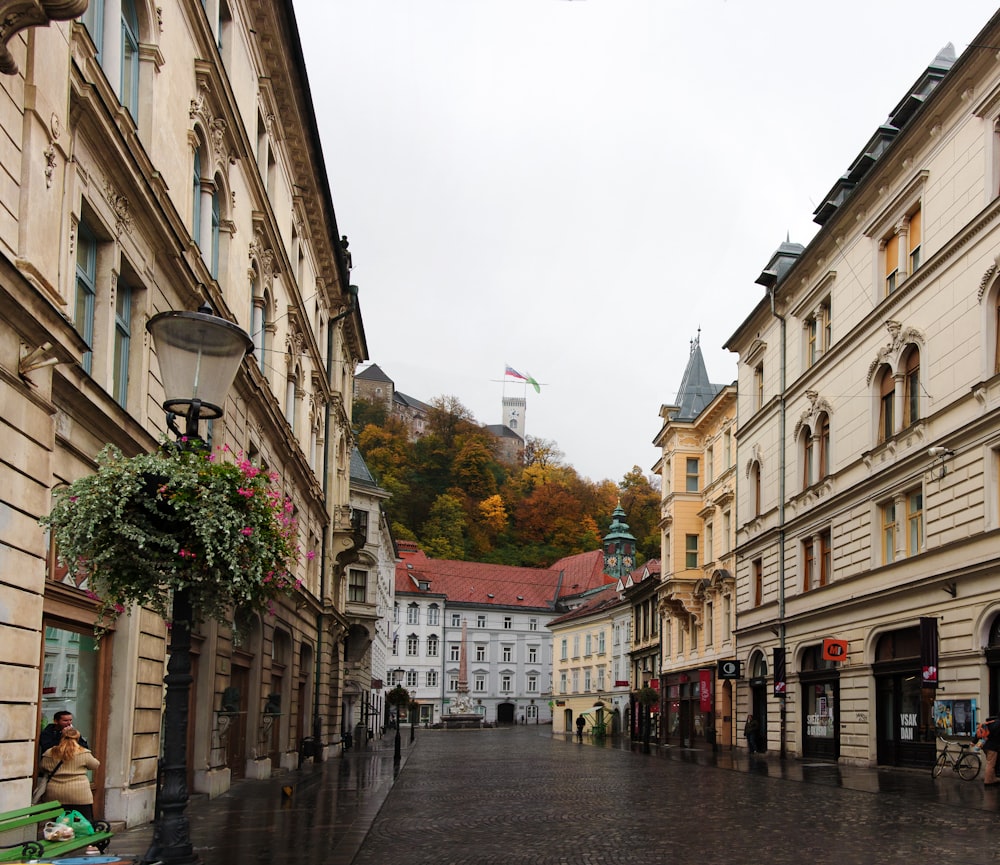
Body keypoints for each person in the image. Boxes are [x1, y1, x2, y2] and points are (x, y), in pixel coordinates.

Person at [41, 727, 100, 852]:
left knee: (58, 820)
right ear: (77, 738)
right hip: (79, 792)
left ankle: (59, 841)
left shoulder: (50, 752)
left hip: (55, 792)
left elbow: (43, 766)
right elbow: (95, 765)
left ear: (61, 737)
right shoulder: (83, 752)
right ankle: (89, 845)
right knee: (84, 819)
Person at [981, 716, 1000, 786]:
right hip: (992, 747)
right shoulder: (998, 724)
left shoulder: (990, 723)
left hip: (986, 746)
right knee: (990, 764)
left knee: (991, 763)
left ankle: (993, 778)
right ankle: (988, 781)